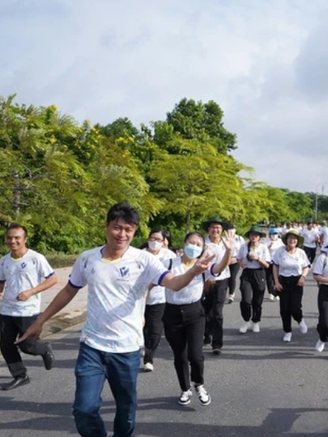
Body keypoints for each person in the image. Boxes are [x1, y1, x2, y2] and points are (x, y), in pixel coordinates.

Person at [17, 202, 215, 437]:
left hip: (127, 348)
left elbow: (172, 282)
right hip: (92, 345)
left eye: (128, 230)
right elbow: (69, 290)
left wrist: (193, 272)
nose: (122, 234)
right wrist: (40, 321)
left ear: (134, 231)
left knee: (126, 411)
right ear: (107, 226)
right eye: (117, 228)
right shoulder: (88, 259)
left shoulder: (143, 260)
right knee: (83, 409)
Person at [162, 230, 234, 406]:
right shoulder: (169, 263)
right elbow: (152, 280)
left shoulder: (203, 266)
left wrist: (229, 251)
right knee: (180, 356)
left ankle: (199, 385)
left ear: (202, 248)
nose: (193, 246)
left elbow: (218, 268)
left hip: (195, 313)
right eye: (190, 242)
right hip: (172, 313)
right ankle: (185, 389)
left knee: (195, 355)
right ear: (184, 243)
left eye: (198, 244)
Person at [0, 223, 58, 391]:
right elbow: (1, 281)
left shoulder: (36, 258)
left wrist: (31, 291)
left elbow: (52, 279)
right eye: (9, 238)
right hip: (7, 309)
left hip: (28, 310)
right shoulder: (4, 261)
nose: (13, 241)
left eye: (17, 238)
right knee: (5, 345)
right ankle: (20, 375)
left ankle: (44, 349)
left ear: (25, 239)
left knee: (27, 345)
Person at [142, 228, 176, 372]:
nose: (155, 242)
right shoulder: (139, 254)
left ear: (164, 242)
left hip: (159, 297)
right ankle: (142, 345)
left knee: (155, 329)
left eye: (158, 239)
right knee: (142, 326)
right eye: (152, 238)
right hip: (138, 297)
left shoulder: (169, 256)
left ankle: (148, 358)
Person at [273, 229, 310, 342]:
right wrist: (276, 282)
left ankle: (300, 320)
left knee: (295, 308)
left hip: (297, 281)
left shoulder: (301, 252)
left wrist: (303, 277)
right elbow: (275, 266)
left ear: (297, 241)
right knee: (284, 309)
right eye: (290, 238)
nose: (292, 240)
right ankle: (287, 331)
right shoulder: (280, 251)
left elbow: (306, 266)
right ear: (286, 240)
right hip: (284, 281)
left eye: (294, 238)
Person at [201, 216, 231, 355]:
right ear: (208, 229)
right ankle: (206, 334)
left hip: (222, 279)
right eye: (213, 227)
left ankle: (217, 344)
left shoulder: (226, 243)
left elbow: (232, 259)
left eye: (218, 228)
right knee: (205, 311)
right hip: (204, 280)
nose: (215, 230)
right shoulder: (202, 243)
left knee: (217, 312)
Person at [237, 225, 270, 334]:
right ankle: (246, 320)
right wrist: (241, 264)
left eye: (256, 235)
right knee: (246, 300)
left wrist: (257, 258)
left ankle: (255, 321)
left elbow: (267, 265)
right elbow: (238, 258)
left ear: (259, 237)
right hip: (247, 273)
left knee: (257, 300)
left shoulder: (263, 247)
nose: (254, 237)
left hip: (259, 273)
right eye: (252, 234)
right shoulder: (243, 246)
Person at [312, 249, 328, 352]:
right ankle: (323, 338)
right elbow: (316, 275)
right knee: (325, 322)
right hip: (325, 290)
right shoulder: (324, 258)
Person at [263, 227, 284, 301]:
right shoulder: (266, 241)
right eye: (273, 234)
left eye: (275, 234)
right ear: (270, 234)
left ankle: (277, 293)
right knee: (269, 278)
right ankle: (271, 293)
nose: (274, 235)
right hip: (269, 261)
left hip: (277, 262)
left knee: (276, 278)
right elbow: (263, 250)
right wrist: (269, 246)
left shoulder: (280, 241)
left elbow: (283, 250)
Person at [226, 223, 245, 304]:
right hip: (225, 261)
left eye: (232, 229)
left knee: (232, 277)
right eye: (229, 229)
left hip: (235, 260)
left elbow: (243, 249)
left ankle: (231, 294)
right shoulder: (223, 238)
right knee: (226, 278)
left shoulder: (239, 239)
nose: (231, 230)